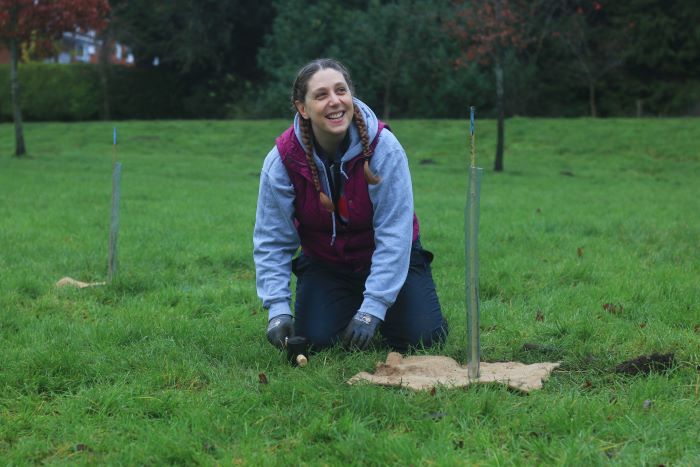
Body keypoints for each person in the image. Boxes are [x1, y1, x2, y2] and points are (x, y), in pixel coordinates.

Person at [253, 58, 447, 352]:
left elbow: (395, 233)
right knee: (316, 341)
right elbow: (272, 239)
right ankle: (349, 305)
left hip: (389, 258)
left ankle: (381, 306)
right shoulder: (281, 162)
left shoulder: (385, 149)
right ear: (302, 108)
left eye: (341, 91)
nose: (335, 101)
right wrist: (278, 310)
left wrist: (373, 309)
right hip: (326, 265)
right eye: (321, 95)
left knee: (424, 338)